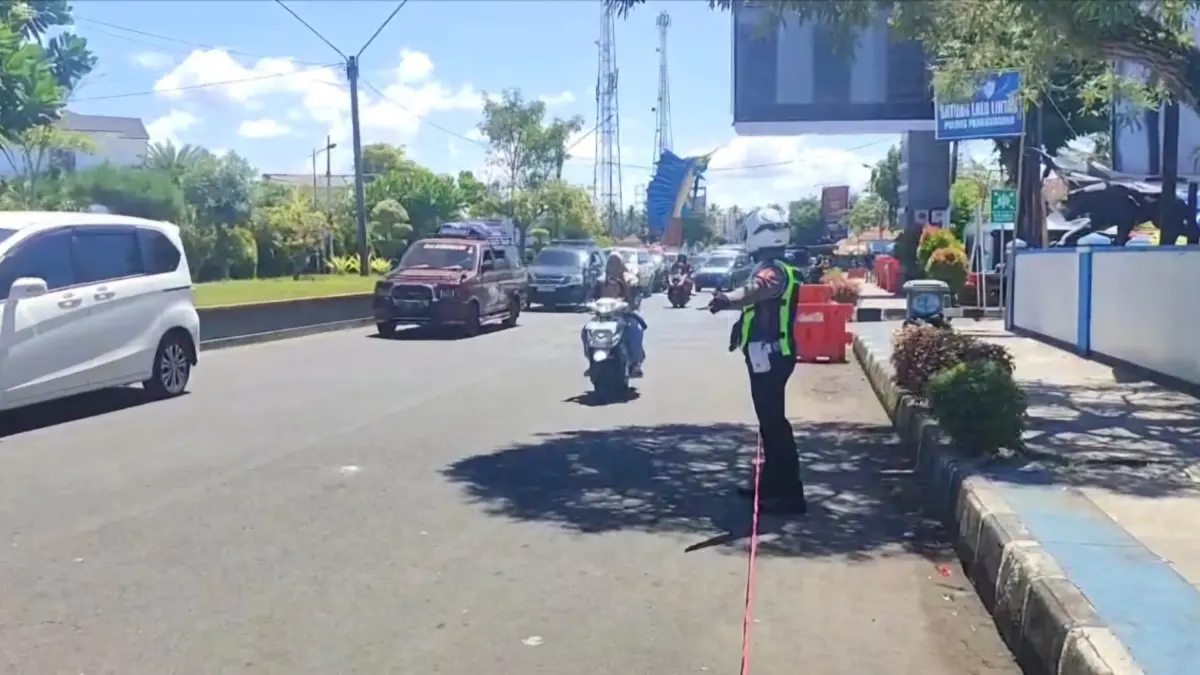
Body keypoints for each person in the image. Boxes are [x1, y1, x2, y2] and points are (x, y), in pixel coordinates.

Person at [707, 207, 807, 515]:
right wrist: (741, 327)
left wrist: (727, 299)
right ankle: (771, 484)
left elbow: (755, 290)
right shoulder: (777, 266)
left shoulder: (772, 271)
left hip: (771, 357)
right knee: (770, 424)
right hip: (770, 355)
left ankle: (789, 495)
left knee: (775, 425)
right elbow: (761, 306)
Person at [595, 251, 647, 376]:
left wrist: (631, 297)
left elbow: (635, 296)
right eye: (611, 263)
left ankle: (635, 363)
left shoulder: (629, 279)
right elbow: (592, 296)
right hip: (603, 317)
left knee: (636, 329)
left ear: (622, 265)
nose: (613, 266)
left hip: (624, 315)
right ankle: (592, 359)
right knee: (587, 331)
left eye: (616, 263)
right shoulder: (601, 280)